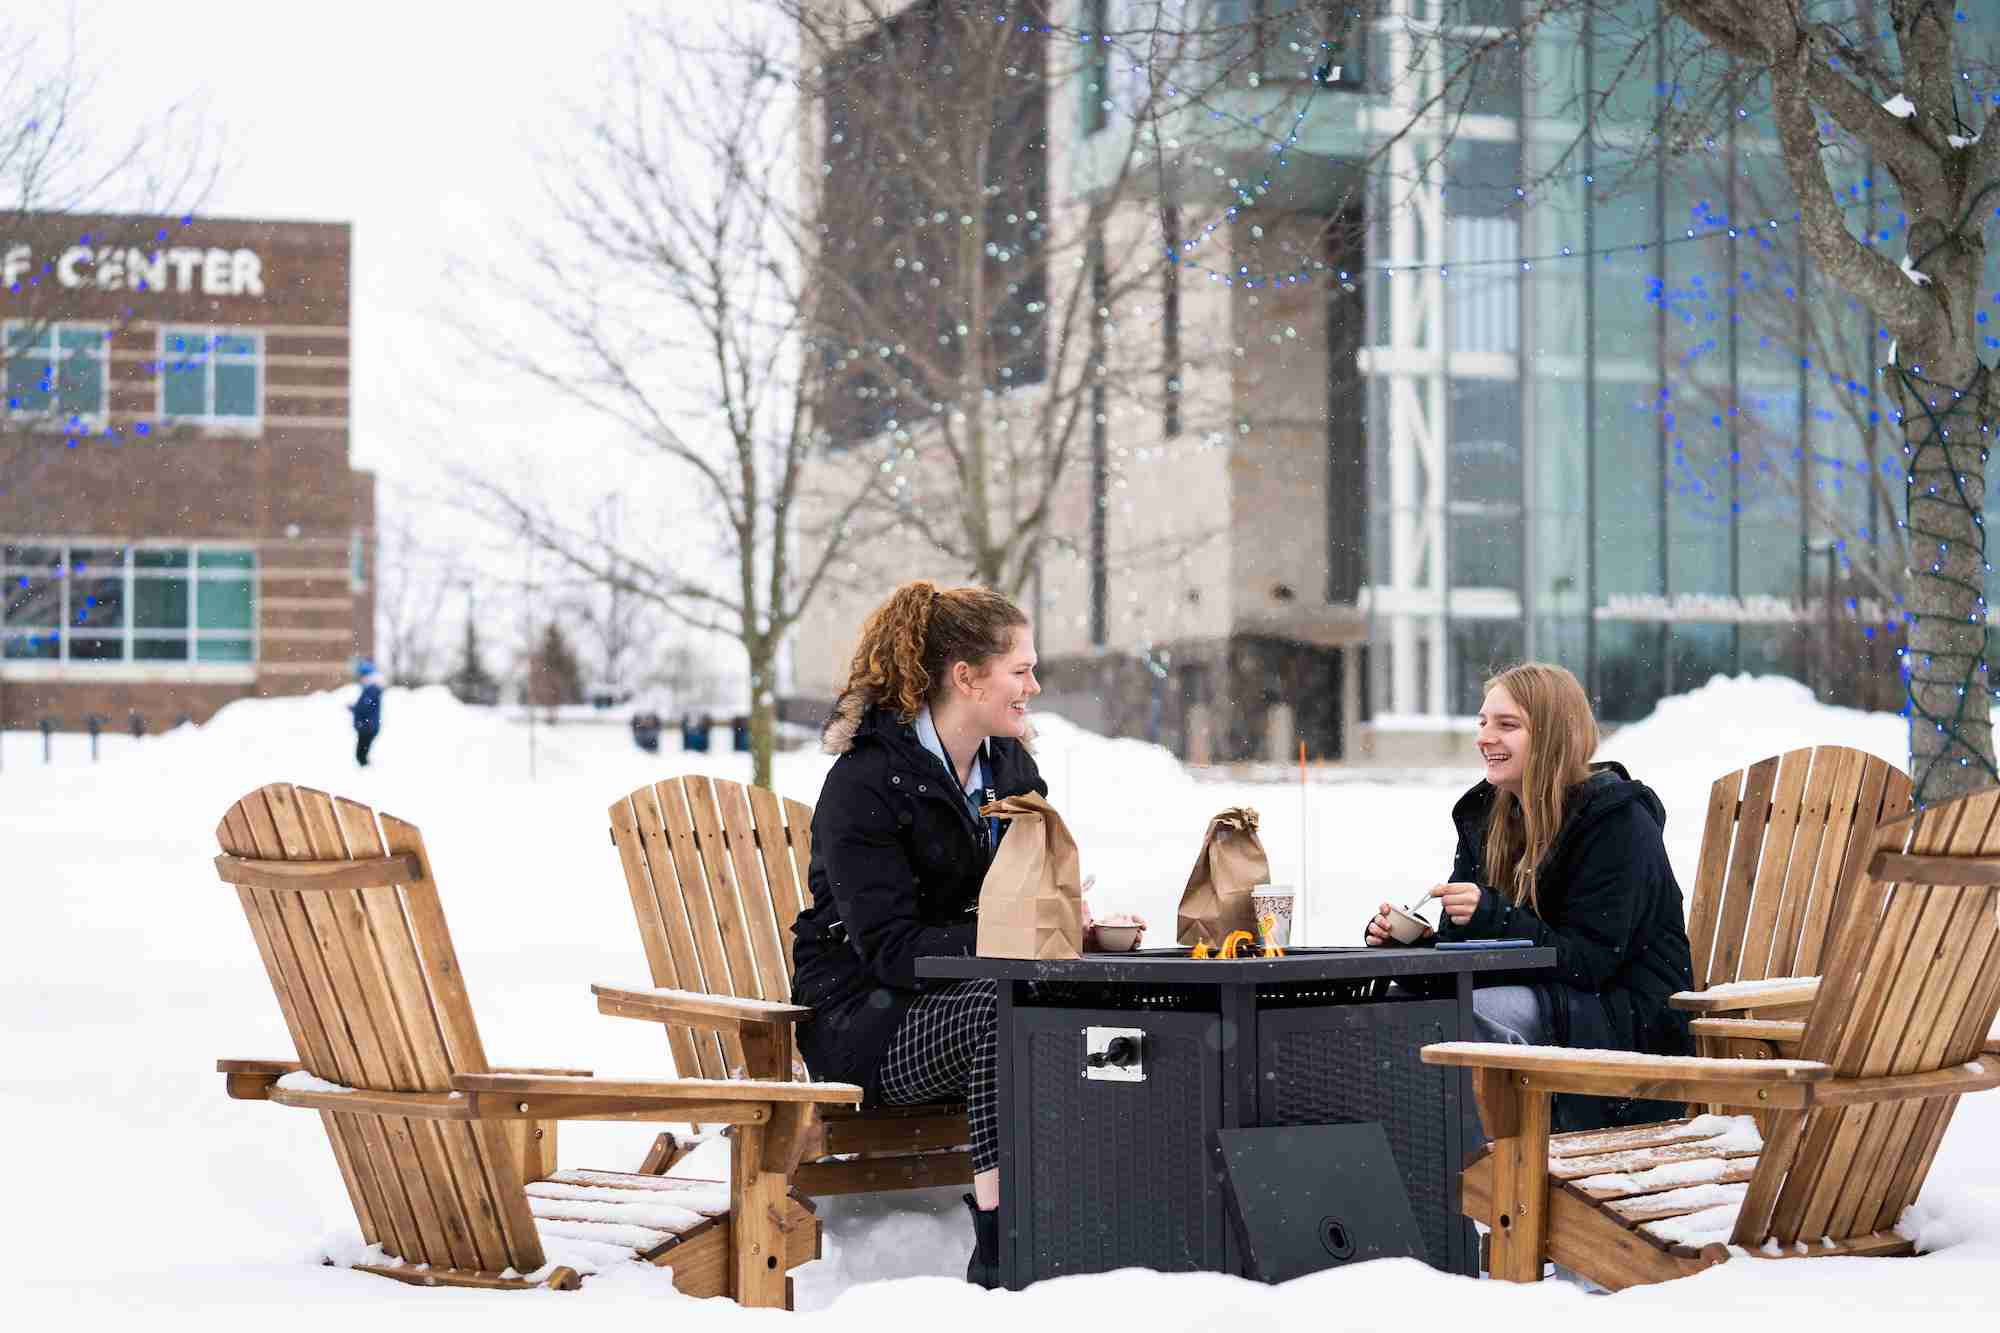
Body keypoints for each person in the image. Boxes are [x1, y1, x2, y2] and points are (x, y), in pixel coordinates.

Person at [789, 579, 1045, 1289]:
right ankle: (1004, 1243)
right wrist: (1004, 943)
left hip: (964, 994)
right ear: (966, 676)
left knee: (1077, 1002)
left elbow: (1024, 892)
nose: (1034, 684)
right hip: (866, 1020)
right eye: (1020, 669)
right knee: (1006, 1011)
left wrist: (1062, 922)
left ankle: (1084, 1205)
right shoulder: (866, 782)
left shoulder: (1011, 768)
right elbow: (893, 950)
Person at [1364, 661, 1695, 1132]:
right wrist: (1416, 950)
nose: (1485, 737)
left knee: (1463, 1018)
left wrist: (1492, 917)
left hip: (1623, 1015)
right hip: (1554, 996)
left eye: (1507, 724)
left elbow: (1592, 961)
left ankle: (1480, 1171)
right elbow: (1479, 951)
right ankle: (1424, 1169)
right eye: (1482, 722)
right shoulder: (1489, 817)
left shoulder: (1618, 823)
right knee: (1404, 1011)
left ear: (1555, 734)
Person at [348, 660, 384, 767]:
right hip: (367, 726)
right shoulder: (370, 688)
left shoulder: (372, 689)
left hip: (367, 727)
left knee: (361, 755)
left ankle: (366, 774)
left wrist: (355, 708)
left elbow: (365, 706)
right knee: (361, 754)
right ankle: (365, 772)